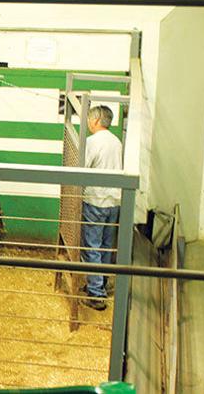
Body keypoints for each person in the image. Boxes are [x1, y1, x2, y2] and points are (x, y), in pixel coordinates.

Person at [80, 105, 122, 311]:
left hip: (96, 199)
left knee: (92, 246)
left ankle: (96, 294)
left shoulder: (92, 142)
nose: (88, 122)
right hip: (114, 201)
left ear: (96, 120)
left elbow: (83, 167)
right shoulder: (117, 142)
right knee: (105, 245)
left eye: (89, 119)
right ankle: (100, 283)